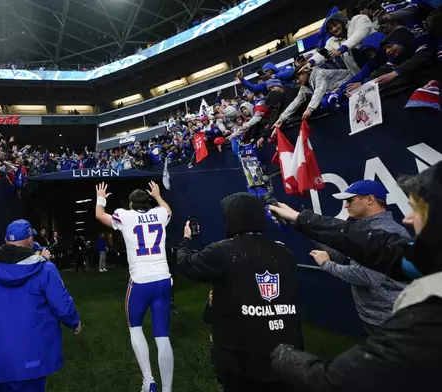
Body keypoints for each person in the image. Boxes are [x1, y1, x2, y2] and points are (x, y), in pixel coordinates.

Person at [268, 162, 442, 392]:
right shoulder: (417, 251)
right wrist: (300, 221)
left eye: (417, 210)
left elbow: (337, 381)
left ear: (370, 199)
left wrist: (282, 356)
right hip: (375, 315)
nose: (408, 219)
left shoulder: (429, 313)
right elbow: (364, 245)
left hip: (384, 316)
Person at [176, 193, 303, 392]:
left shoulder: (223, 251)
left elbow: (185, 264)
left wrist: (185, 240)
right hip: (287, 357)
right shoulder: (285, 254)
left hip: (242, 362)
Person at [0, 219, 82, 392]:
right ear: (29, 240)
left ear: (6, 240)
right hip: (31, 359)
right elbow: (62, 304)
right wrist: (74, 322)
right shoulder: (45, 269)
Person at [95, 181, 174, 392]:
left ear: (131, 203)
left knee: (135, 327)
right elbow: (168, 210)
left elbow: (100, 215)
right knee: (162, 335)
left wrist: (101, 197)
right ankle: (167, 389)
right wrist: (157, 195)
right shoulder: (159, 213)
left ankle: (148, 380)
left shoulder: (125, 215)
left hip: (140, 282)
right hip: (163, 279)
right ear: (148, 202)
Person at [311, 180, 410, 336]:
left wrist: (326, 264)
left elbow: (368, 277)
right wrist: (309, 230)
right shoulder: (365, 229)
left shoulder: (385, 231)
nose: (345, 206)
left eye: (350, 200)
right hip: (377, 317)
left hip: (390, 319)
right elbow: (343, 256)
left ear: (370, 199)